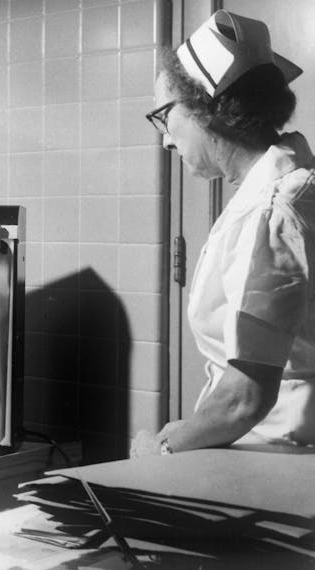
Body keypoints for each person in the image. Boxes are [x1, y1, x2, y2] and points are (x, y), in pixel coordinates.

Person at [132, 10, 315, 456]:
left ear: (208, 108)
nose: (166, 141)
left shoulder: (277, 211)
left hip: (276, 460)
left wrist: (159, 449)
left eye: (164, 116)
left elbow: (244, 398)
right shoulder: (284, 190)